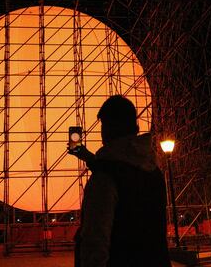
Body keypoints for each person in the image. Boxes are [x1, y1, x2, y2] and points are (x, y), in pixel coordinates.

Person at [68, 95, 171, 267]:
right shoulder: (154, 172)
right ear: (136, 127)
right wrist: (91, 159)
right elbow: (123, 168)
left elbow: (96, 240)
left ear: (107, 129)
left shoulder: (104, 178)